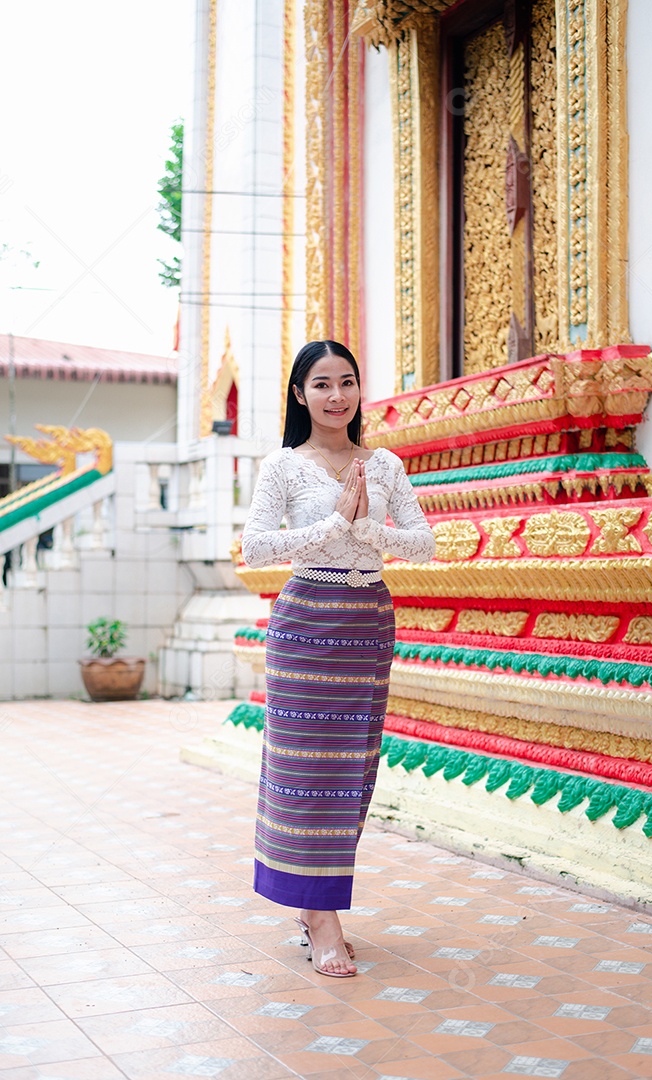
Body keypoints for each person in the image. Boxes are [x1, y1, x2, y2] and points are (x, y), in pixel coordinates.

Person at [241, 340, 435, 977]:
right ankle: (321, 918)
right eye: (321, 384)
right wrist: (330, 528)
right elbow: (257, 549)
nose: (336, 395)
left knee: (351, 773)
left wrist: (366, 530)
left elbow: (424, 545)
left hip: (367, 621)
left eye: (346, 382)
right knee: (303, 771)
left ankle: (314, 900)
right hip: (305, 624)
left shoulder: (383, 464)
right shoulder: (283, 467)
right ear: (300, 395)